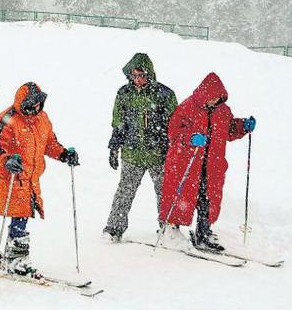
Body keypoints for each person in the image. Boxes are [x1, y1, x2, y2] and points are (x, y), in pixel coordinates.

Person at [0, 82, 79, 277]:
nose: (36, 107)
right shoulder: (7, 119)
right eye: (32, 104)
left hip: (30, 177)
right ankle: (16, 260)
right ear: (23, 103)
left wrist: (63, 154)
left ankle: (10, 254)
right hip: (11, 177)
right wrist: (7, 159)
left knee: (22, 216)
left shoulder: (42, 119)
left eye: (39, 103)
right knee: (19, 216)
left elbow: (49, 143)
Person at [159, 72, 255, 252]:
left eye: (218, 98)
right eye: (212, 98)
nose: (215, 101)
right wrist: (190, 137)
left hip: (212, 165)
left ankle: (204, 232)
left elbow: (229, 130)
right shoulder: (187, 107)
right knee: (181, 198)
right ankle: (171, 230)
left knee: (207, 200)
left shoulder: (223, 111)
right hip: (186, 163)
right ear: (204, 95)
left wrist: (242, 126)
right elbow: (173, 132)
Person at [103, 53, 177, 242]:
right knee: (124, 191)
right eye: (134, 76)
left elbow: (175, 125)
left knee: (164, 192)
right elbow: (118, 123)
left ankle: (168, 228)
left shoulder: (164, 94)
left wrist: (172, 148)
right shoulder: (124, 94)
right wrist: (114, 148)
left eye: (142, 75)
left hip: (158, 153)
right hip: (132, 153)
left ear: (149, 74)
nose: (138, 79)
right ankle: (114, 228)